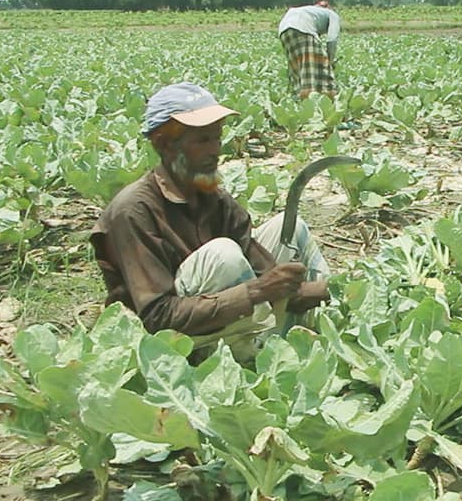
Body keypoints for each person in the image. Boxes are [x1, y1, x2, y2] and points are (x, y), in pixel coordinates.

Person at [91, 82, 330, 360]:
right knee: (223, 254)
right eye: (202, 140)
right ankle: (247, 360)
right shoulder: (133, 211)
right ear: (164, 144)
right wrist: (257, 290)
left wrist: (323, 290)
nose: (215, 149)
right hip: (164, 347)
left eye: (217, 138)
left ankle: (311, 335)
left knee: (288, 228)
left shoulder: (213, 197)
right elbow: (157, 317)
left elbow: (264, 269)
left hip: (219, 315)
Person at [278, 0, 341, 99]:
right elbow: (332, 39)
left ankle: (299, 98)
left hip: (283, 30)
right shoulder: (332, 14)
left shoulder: (309, 10)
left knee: (299, 68)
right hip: (303, 28)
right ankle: (320, 99)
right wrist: (330, 60)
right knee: (319, 68)